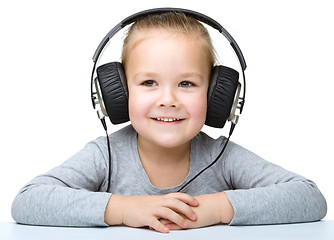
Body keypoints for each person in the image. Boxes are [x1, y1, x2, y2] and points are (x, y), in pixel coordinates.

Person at [11, 11, 327, 234]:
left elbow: (309, 197)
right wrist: (125, 210)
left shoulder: (222, 156)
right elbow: (28, 201)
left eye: (187, 84)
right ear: (117, 93)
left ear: (218, 95)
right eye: (149, 82)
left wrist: (215, 209)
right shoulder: (105, 156)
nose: (168, 99)